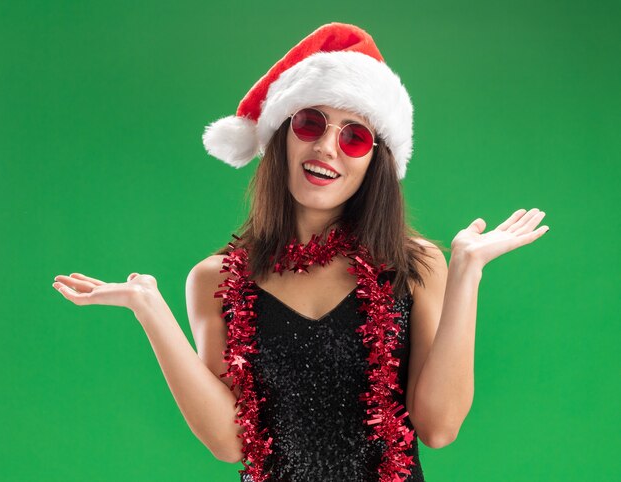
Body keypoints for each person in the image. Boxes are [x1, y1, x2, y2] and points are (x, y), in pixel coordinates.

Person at [52, 22, 549, 482]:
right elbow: (230, 442)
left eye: (354, 137)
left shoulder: (413, 265)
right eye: (311, 123)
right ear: (282, 137)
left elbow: (438, 428)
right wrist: (149, 309)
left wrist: (466, 272)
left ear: (376, 160)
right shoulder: (217, 279)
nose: (327, 147)